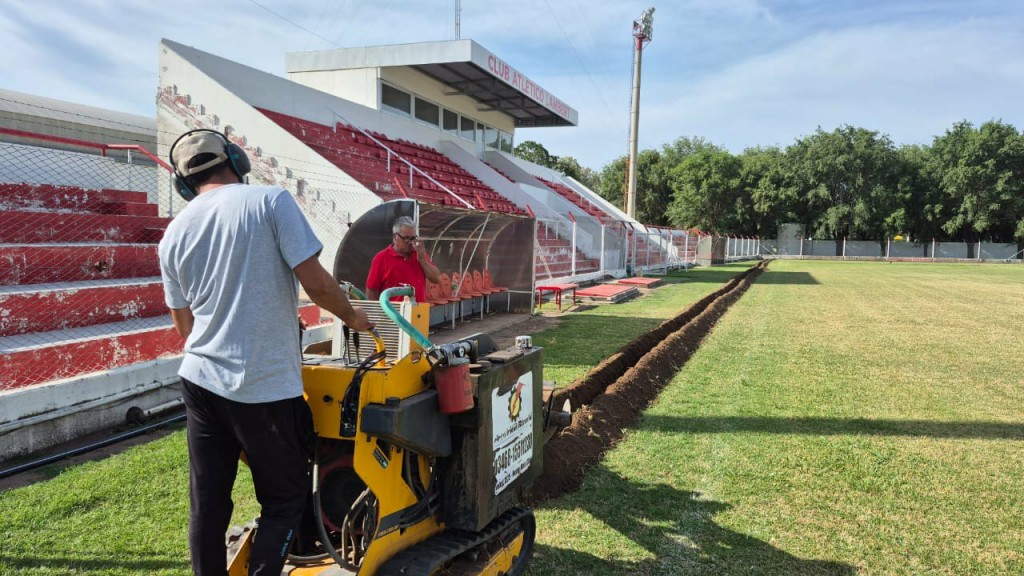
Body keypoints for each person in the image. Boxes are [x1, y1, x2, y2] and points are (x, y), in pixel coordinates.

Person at [158, 129, 372, 576]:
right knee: (284, 499)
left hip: (200, 379)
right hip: (262, 383)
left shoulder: (173, 233)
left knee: (209, 503)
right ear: (236, 159)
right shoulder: (270, 201)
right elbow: (316, 284)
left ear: (183, 183)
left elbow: (184, 326)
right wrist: (357, 320)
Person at [365, 215, 441, 301]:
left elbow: (437, 279)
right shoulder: (381, 258)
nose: (410, 242)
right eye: (406, 238)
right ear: (395, 237)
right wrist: (378, 312)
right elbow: (372, 289)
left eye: (413, 238)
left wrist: (422, 260)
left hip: (418, 311)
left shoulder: (419, 254)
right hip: (394, 312)